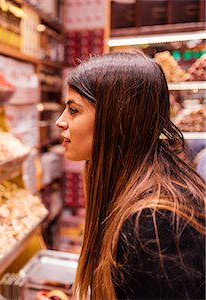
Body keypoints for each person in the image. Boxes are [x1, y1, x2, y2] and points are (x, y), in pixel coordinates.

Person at [55, 52, 205, 300]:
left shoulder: (153, 224)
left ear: (116, 118)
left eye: (73, 110)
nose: (60, 121)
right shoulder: (137, 194)